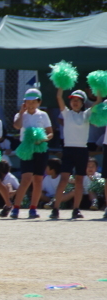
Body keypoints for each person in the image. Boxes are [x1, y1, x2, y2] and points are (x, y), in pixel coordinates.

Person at [10, 88, 53, 219]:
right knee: (26, 178)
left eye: (34, 102)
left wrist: (44, 138)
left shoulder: (43, 115)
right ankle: (16, 208)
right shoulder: (21, 114)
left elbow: (50, 132)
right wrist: (21, 112)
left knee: (38, 179)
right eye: (28, 102)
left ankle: (33, 208)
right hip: (27, 149)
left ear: (39, 102)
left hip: (40, 149)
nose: (31, 104)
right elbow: (16, 126)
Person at [50, 89, 91, 219]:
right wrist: (61, 86)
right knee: (63, 180)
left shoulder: (87, 114)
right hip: (68, 150)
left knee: (79, 181)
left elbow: (98, 102)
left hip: (82, 150)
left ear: (82, 102)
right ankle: (55, 208)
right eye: (73, 100)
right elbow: (59, 97)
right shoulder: (66, 113)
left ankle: (76, 209)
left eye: (77, 100)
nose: (75, 102)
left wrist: (99, 90)